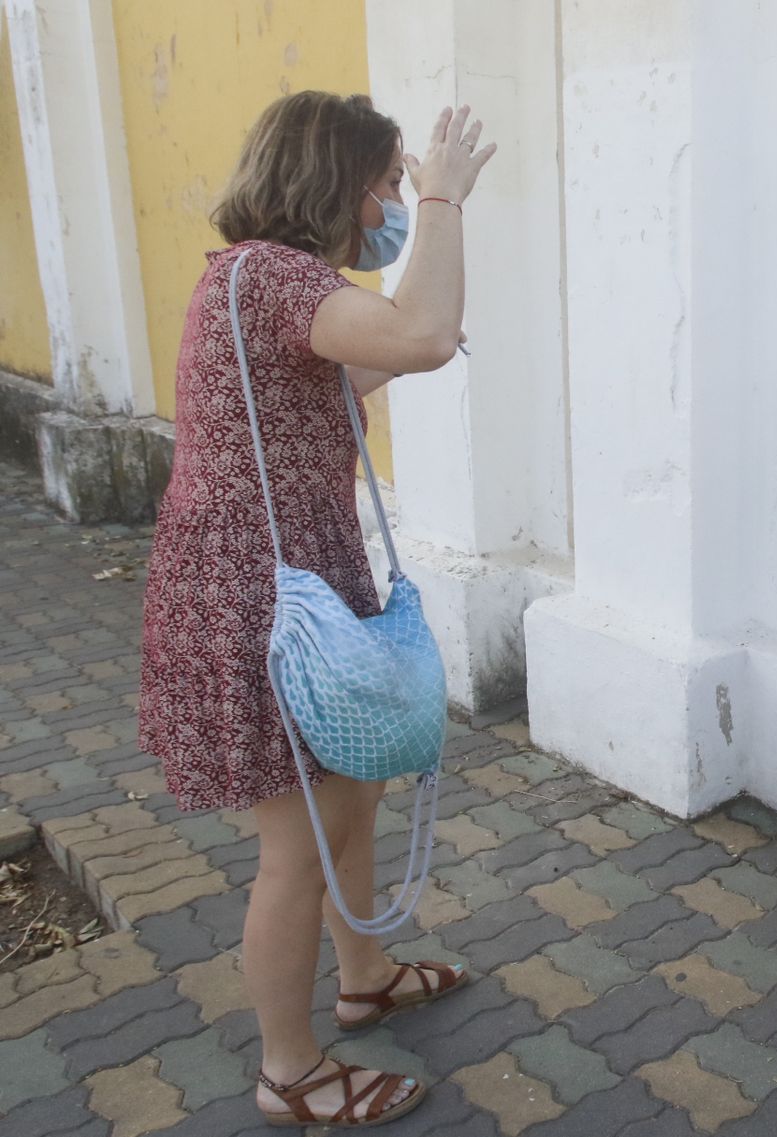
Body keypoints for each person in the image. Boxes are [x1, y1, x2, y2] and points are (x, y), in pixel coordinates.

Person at [138, 93, 495, 1127]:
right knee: (298, 843)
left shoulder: (258, 280)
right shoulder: (273, 276)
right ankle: (288, 1071)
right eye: (383, 184)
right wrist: (444, 201)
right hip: (262, 590)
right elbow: (420, 336)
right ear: (335, 183)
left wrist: (426, 322)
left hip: (285, 572)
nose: (390, 204)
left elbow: (354, 365)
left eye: (400, 186)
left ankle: (365, 977)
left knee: (352, 792)